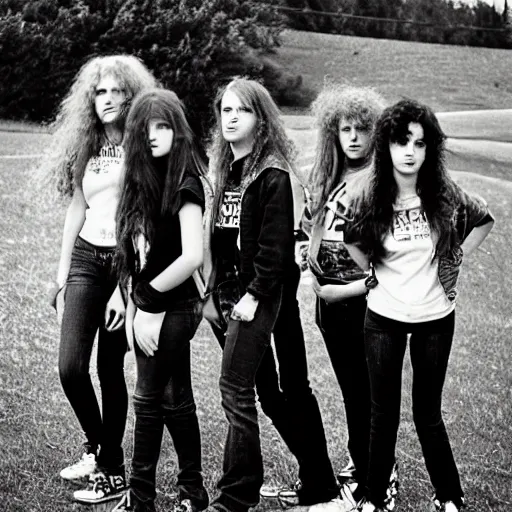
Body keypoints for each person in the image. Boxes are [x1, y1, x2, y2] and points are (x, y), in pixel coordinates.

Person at [344, 99, 494, 512]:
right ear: (386, 147)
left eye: (420, 143)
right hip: (383, 318)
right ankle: (373, 499)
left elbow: (483, 220)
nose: (409, 151)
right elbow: (353, 240)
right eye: (400, 141)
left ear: (431, 150)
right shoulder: (372, 195)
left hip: (435, 318)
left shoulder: (443, 195)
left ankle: (448, 497)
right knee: (382, 415)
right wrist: (374, 274)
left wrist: (454, 258)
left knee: (427, 414)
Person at [203, 77, 340, 512]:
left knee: (283, 389)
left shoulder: (272, 173)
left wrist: (255, 294)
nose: (231, 117)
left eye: (241, 110)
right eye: (225, 110)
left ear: (260, 121)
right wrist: (211, 297)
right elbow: (219, 243)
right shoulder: (226, 171)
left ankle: (300, 486)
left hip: (268, 298)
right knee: (265, 392)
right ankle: (316, 482)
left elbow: (274, 247)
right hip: (231, 297)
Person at [42, 55, 157, 503]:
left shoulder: (144, 144)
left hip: (126, 260)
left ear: (131, 93)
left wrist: (123, 289)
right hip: (89, 257)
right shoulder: (87, 143)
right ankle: (99, 445)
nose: (107, 99)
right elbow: (78, 207)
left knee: (110, 370)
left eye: (116, 91)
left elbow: (146, 217)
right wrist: (61, 272)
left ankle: (112, 472)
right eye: (99, 92)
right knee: (71, 366)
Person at [109, 88, 209, 512]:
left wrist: (147, 305)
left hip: (179, 305)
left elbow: (192, 256)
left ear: (177, 131)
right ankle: (192, 491)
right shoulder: (137, 179)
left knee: (147, 397)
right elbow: (134, 256)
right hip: (147, 302)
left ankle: (141, 498)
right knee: (174, 397)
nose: (153, 135)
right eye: (146, 127)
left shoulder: (186, 181)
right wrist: (128, 299)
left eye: (163, 126)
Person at [300, 84, 399, 509]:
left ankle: (382, 478)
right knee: (352, 392)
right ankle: (364, 465)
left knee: (370, 395)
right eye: (346, 129)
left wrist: (349, 289)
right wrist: (308, 249)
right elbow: (313, 230)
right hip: (329, 304)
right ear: (333, 133)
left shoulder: (383, 183)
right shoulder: (330, 177)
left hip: (364, 303)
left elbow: (393, 259)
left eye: (363, 128)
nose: (354, 137)